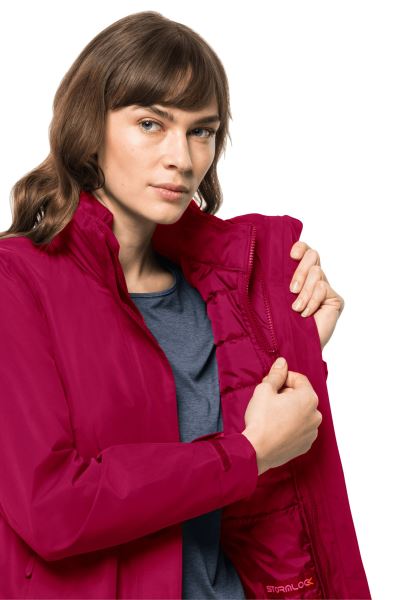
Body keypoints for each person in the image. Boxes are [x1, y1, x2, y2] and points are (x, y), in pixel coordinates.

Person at [0, 11, 370, 600]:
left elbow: (265, 494)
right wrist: (247, 454)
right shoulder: (16, 282)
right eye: (151, 123)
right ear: (88, 125)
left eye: (202, 131)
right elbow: (54, 507)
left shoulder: (222, 291)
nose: (183, 157)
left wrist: (295, 345)